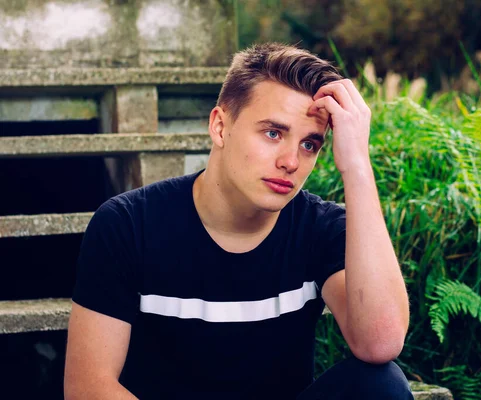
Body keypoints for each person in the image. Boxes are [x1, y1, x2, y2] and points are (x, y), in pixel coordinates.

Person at [64, 43, 413, 400]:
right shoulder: (128, 225)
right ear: (219, 126)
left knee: (381, 385)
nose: (291, 161)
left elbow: (380, 343)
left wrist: (356, 166)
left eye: (309, 144)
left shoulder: (319, 227)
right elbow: (88, 387)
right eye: (273, 133)